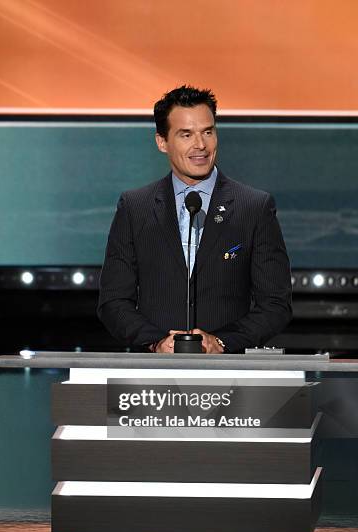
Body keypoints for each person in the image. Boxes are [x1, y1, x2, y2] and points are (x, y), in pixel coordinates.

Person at [97, 85, 292, 353]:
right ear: (162, 142)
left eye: (208, 132)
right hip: (153, 379)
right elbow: (113, 301)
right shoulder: (135, 207)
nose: (200, 145)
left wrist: (221, 343)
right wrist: (156, 342)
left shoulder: (253, 207)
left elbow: (275, 304)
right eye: (186, 134)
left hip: (229, 378)